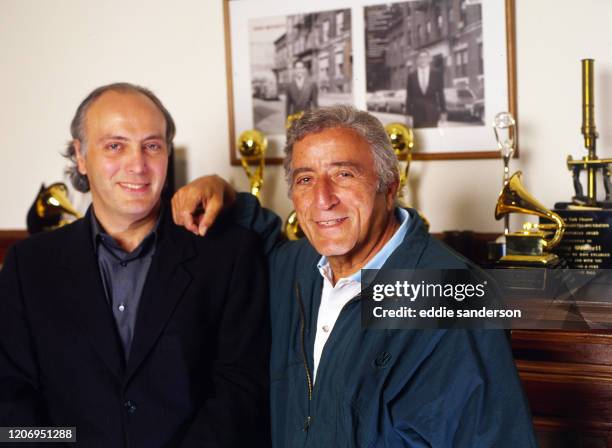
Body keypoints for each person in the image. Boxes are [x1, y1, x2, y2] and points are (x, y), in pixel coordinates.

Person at [172, 106, 538, 447]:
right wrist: (219, 188)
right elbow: (256, 238)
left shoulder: (445, 293)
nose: (322, 198)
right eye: (305, 179)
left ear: (390, 186)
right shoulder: (294, 269)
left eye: (344, 174)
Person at [0, 83, 270, 447]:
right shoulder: (28, 264)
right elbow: (10, 398)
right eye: (115, 145)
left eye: (152, 146)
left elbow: (241, 389)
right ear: (80, 156)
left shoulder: (229, 254)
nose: (138, 164)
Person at [405, 50, 447, 128]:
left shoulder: (437, 74)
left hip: (432, 113)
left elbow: (441, 94)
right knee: (419, 138)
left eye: (425, 57)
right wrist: (408, 114)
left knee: (432, 137)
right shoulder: (411, 76)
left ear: (429, 59)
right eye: (420, 57)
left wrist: (443, 111)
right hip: (417, 114)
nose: (422, 59)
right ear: (417, 60)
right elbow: (409, 96)